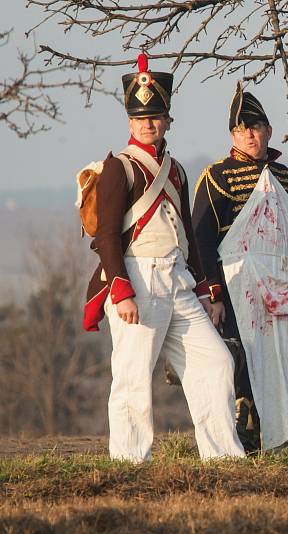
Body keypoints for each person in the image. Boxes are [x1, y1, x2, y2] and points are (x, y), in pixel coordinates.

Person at [82, 54, 244, 461]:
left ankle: (224, 457)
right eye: (141, 118)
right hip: (138, 278)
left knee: (217, 364)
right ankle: (130, 462)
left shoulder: (176, 170)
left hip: (178, 280)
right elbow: (105, 236)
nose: (148, 124)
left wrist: (206, 290)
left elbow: (186, 235)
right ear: (129, 122)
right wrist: (120, 289)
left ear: (168, 120)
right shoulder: (118, 167)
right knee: (134, 378)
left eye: (155, 116)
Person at [192, 83, 288, 453]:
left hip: (285, 285)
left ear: (269, 130)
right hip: (238, 285)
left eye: (257, 127)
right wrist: (214, 293)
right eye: (243, 129)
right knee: (241, 358)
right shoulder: (217, 176)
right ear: (233, 135)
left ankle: (272, 434)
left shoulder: (287, 177)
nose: (251, 135)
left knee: (279, 361)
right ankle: (241, 432)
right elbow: (202, 241)